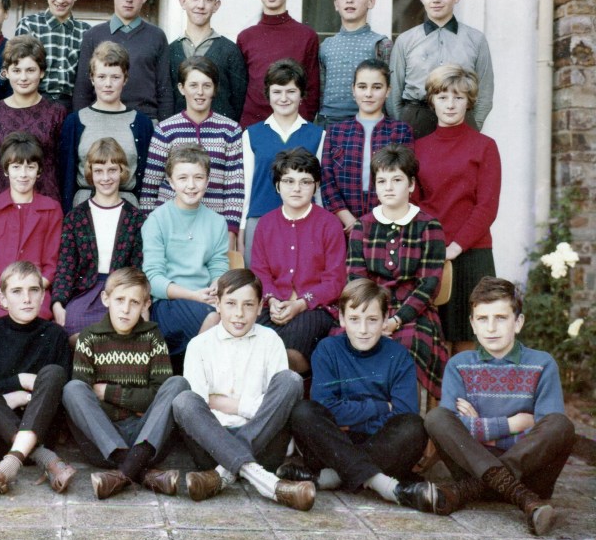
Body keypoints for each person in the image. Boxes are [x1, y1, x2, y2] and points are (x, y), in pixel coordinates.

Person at [425, 277, 576, 536]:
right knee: (436, 417)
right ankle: (523, 499)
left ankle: (467, 491)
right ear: (473, 324)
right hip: (474, 469)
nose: (491, 328)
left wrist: (479, 430)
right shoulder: (459, 365)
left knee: (560, 425)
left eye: (501, 318)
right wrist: (511, 424)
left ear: (518, 322)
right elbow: (452, 428)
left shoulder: (542, 364)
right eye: (482, 319)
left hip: (529, 476)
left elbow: (545, 432)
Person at [284, 279, 448, 514]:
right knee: (303, 412)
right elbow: (325, 406)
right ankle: (384, 485)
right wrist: (380, 407)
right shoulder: (328, 349)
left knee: (413, 427)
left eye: (372, 320)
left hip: (380, 444)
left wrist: (349, 419)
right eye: (354, 319)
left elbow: (404, 413)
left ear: (385, 319)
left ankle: (332, 477)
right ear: (342, 319)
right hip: (333, 444)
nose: (363, 329)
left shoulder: (399, 356)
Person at [171, 270, 313, 509]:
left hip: (265, 443)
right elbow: (200, 406)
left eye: (248, 305)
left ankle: (222, 476)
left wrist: (230, 404)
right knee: (184, 400)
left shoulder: (270, 341)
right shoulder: (199, 346)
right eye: (231, 304)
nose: (239, 313)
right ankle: (268, 483)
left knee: (290, 380)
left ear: (259, 308)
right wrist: (254, 406)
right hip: (212, 445)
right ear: (217, 304)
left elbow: (275, 408)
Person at [62, 267, 190, 499]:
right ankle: (140, 471)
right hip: (104, 441)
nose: (126, 309)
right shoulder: (89, 338)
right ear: (106, 299)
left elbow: (158, 395)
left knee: (177, 384)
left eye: (134, 302)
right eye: (120, 300)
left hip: (145, 436)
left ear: (146, 304)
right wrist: (136, 402)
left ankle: (122, 473)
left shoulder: (153, 337)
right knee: (73, 389)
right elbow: (85, 401)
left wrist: (108, 392)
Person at [0, 261, 76, 499]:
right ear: (3, 299)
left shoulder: (55, 335)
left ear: (43, 296)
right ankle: (44, 458)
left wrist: (10, 396)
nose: (27, 299)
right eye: (17, 291)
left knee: (54, 372)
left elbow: (58, 392)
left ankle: (6, 469)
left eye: (33, 290)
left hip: (40, 430)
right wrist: (21, 384)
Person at [347, 144, 447, 400]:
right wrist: (373, 319)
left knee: (410, 344)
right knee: (340, 343)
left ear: (411, 184)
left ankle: (408, 416)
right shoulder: (362, 226)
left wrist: (395, 320)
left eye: (397, 180)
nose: (388, 187)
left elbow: (428, 286)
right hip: (369, 310)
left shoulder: (429, 226)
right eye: (382, 181)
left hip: (414, 313)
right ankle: (361, 416)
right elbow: (357, 281)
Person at [414, 65, 500, 355]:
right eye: (443, 97)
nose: (450, 104)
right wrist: (433, 245)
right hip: (431, 253)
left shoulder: (485, 147)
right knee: (433, 341)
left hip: (472, 253)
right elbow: (414, 204)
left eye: (458, 97)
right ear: (432, 101)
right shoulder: (418, 148)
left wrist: (456, 246)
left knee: (467, 341)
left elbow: (487, 206)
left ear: (469, 101)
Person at [249, 148, 345, 375]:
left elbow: (335, 281)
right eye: (289, 181)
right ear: (277, 186)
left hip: (315, 308)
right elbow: (260, 272)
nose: (296, 188)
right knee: (253, 342)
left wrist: (301, 303)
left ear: (316, 185)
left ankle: (286, 388)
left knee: (290, 349)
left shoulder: (330, 224)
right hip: (273, 306)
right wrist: (272, 300)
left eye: (305, 182)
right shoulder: (265, 224)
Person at [139, 56, 244, 247]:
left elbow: (234, 187)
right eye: (193, 85)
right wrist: (150, 229)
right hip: (170, 228)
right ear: (181, 88)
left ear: (215, 89)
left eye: (207, 85)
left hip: (214, 229)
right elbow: (150, 187)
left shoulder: (230, 130)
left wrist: (230, 231)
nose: (200, 92)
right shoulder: (165, 130)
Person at [142, 144, 229, 370]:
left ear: (207, 181)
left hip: (205, 299)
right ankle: (192, 374)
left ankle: (187, 373)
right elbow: (152, 277)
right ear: (171, 182)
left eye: (198, 177)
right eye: (182, 178)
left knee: (230, 315)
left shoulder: (217, 222)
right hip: (168, 302)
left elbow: (218, 265)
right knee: (215, 318)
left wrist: (216, 285)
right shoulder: (157, 220)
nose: (191, 185)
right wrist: (193, 295)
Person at [0, 131, 62, 331]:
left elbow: (51, 265)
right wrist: (0, 293)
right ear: (6, 170)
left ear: (39, 171)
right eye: (16, 167)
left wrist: (29, 292)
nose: (23, 174)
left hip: (33, 291)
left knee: (33, 326)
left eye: (30, 167)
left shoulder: (51, 209)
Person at [51, 138, 145, 341]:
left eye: (112, 170)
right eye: (99, 171)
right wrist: (58, 302)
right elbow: (66, 265)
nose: (106, 178)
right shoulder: (76, 217)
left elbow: (138, 268)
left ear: (122, 171)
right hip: (85, 291)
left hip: (122, 293)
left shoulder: (135, 218)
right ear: (90, 173)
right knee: (74, 327)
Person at [389, 0, 494, 137]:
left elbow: (485, 92)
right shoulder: (405, 40)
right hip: (416, 120)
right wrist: (404, 126)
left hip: (460, 119)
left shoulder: (476, 39)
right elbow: (394, 93)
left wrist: (473, 127)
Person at [239, 60, 324, 261]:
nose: (284, 98)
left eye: (291, 91)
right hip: (260, 219)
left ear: (301, 94)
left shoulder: (317, 135)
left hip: (305, 221)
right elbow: (247, 187)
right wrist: (242, 229)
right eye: (277, 92)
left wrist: (320, 223)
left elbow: (318, 189)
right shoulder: (252, 134)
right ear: (268, 94)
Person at [59, 41, 154, 213]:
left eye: (115, 77)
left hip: (127, 210)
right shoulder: (75, 121)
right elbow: (65, 178)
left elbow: (148, 179)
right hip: (83, 209)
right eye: (101, 76)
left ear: (125, 79)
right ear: (92, 78)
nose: (108, 84)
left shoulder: (142, 124)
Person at [320, 59, 413, 233]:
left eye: (377, 87)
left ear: (388, 91)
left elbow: (404, 179)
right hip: (344, 223)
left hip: (387, 221)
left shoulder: (400, 131)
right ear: (353, 89)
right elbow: (327, 180)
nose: (368, 94)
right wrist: (348, 219)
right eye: (362, 87)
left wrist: (380, 219)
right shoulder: (336, 131)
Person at [72, 0, 174, 121]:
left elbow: (165, 90)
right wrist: (82, 125)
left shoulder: (156, 36)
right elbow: (82, 90)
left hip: (146, 120)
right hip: (101, 119)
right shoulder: (93, 35)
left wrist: (164, 129)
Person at [237, 0, 321, 127]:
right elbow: (239, 90)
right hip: (253, 128)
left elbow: (312, 91)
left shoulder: (307, 36)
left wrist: (300, 125)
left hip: (294, 128)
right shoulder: (245, 37)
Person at [0, 35, 64, 200]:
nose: (23, 78)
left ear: (42, 72)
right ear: (6, 73)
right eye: (16, 70)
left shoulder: (57, 112)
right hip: (3, 201)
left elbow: (61, 165)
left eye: (30, 70)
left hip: (46, 202)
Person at [316, 0, 392, 129]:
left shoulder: (380, 44)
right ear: (336, 4)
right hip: (329, 122)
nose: (349, 0)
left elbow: (389, 95)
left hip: (368, 123)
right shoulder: (326, 46)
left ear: (370, 2)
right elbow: (321, 92)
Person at [167, 0, 247, 122]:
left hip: (219, 132)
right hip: (179, 132)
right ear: (183, 2)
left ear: (216, 5)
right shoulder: (169, 51)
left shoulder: (230, 50)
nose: (201, 5)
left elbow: (239, 101)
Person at [14, 0, 90, 111]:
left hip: (73, 107)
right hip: (34, 104)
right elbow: (19, 71)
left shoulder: (86, 31)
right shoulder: (29, 25)